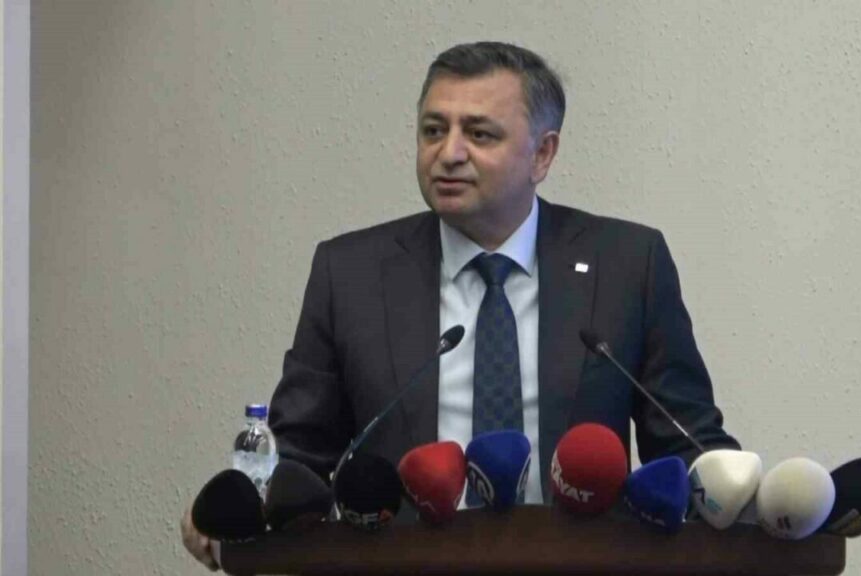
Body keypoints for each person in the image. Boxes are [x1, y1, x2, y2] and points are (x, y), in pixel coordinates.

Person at [182, 41, 739, 569]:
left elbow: (687, 441)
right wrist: (239, 508)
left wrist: (745, 500)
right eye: (433, 130)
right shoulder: (349, 273)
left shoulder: (628, 264)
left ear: (542, 153)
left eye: (479, 134)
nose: (448, 154)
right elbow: (302, 453)